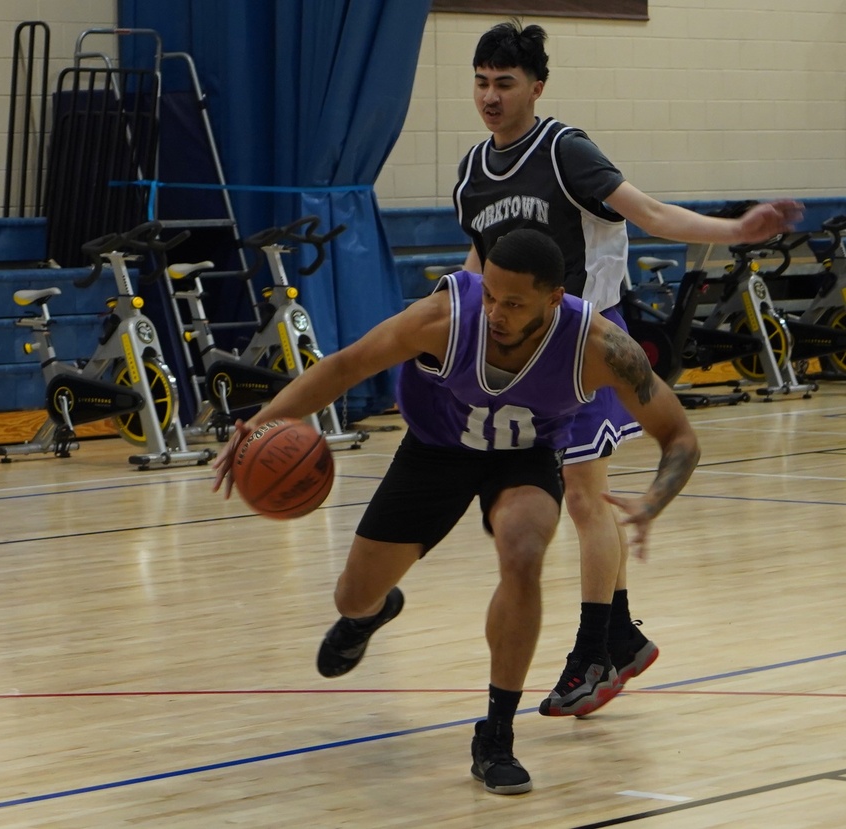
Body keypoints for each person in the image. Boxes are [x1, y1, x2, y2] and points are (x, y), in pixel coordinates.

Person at [214, 228, 700, 795]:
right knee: (352, 595)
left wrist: (652, 502)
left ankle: (495, 735)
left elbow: (681, 438)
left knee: (523, 552)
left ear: (554, 298)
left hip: (523, 459)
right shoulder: (444, 316)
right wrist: (264, 423)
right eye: (490, 294)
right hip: (435, 452)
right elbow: (345, 367)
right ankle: (372, 612)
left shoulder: (598, 344)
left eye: (513, 303)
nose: (494, 311)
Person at [454, 20, 804, 717]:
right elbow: (477, 266)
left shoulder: (564, 151)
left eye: (506, 83)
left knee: (584, 499)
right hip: (529, 359)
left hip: (589, 343)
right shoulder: (473, 169)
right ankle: (620, 633)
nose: (491, 96)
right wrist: (448, 335)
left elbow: (645, 212)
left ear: (536, 87)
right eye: (483, 82)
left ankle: (593, 654)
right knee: (576, 498)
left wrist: (734, 231)